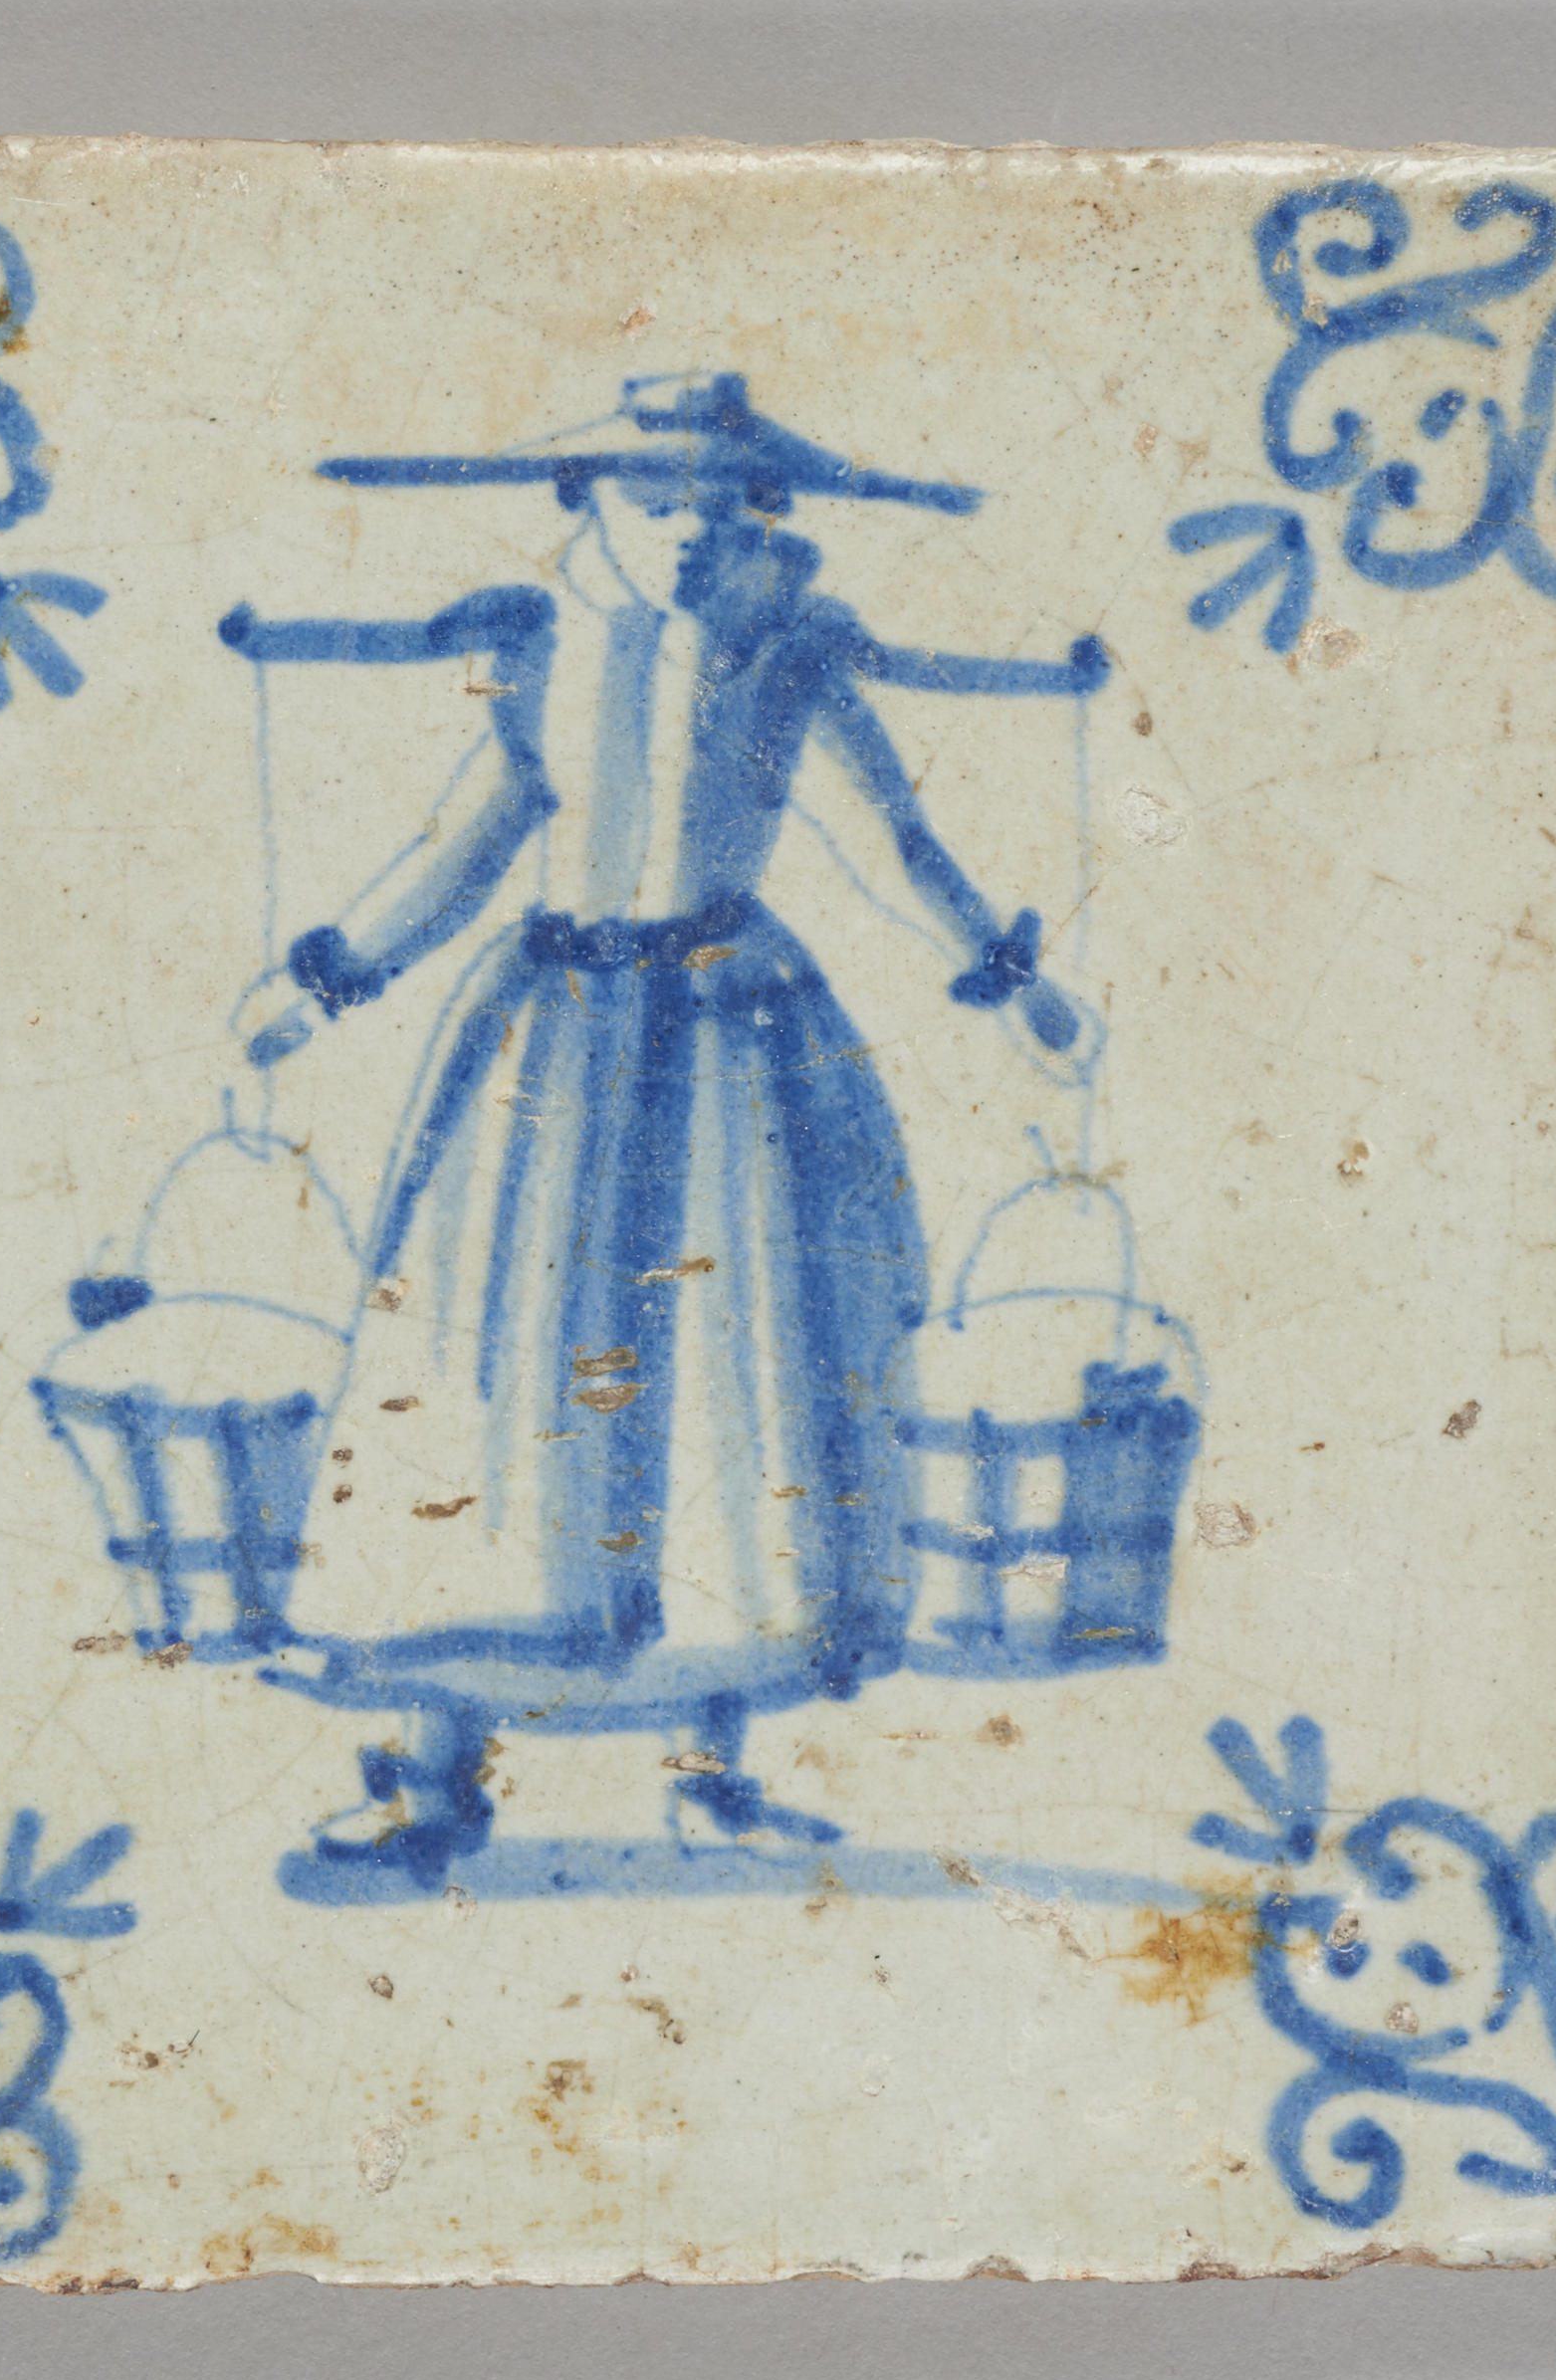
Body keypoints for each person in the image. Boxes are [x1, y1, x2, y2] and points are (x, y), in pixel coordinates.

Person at [218, 371, 1108, 1879]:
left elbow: (892, 837)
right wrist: (326, 980)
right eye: (658, 497)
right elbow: (471, 836)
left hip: (729, 1037)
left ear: (764, 514)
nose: (692, 529)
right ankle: (435, 1771)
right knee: (500, 1380)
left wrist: (1011, 982)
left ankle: (712, 1764)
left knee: (727, 1384)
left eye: (722, 501)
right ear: (590, 502)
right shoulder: (538, 645)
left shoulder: (790, 651)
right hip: (548, 1046)